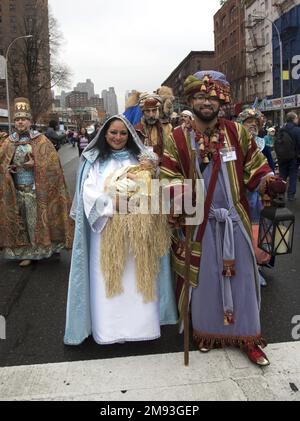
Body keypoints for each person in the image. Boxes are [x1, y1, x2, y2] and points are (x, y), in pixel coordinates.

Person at [160, 71, 285, 367]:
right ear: (191, 100)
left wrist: (269, 181)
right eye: (201, 97)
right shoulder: (177, 137)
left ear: (222, 101)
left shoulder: (237, 132)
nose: (207, 102)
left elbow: (257, 166)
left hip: (234, 220)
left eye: (212, 97)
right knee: (202, 284)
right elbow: (167, 174)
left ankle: (249, 337)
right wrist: (178, 191)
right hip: (198, 222)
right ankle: (206, 333)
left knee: (242, 280)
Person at [64, 115, 177, 346]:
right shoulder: (94, 161)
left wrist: (146, 183)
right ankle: (109, 329)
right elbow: (88, 193)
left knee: (139, 277)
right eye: (113, 133)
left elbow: (156, 189)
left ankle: (141, 327)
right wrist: (111, 204)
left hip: (137, 231)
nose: (118, 137)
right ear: (105, 134)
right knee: (108, 277)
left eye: (123, 133)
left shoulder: (141, 159)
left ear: (130, 135)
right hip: (106, 230)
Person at [0, 98, 74, 267]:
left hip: (36, 190)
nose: (20, 122)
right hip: (15, 189)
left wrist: (36, 165)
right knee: (21, 222)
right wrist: (7, 169)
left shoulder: (41, 140)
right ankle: (22, 250)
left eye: (23, 119)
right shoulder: (7, 142)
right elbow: (1, 164)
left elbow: (52, 165)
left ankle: (36, 251)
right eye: (17, 119)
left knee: (35, 221)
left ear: (30, 121)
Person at [134, 92, 172, 159]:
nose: (151, 115)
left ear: (158, 110)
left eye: (154, 110)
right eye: (147, 111)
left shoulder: (167, 127)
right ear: (143, 112)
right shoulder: (136, 130)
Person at [277, 112, 300, 201]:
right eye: (296, 118)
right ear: (293, 119)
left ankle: (280, 193)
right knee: (293, 176)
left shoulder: (281, 129)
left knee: (282, 176)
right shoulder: (297, 130)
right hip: (293, 158)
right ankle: (290, 195)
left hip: (282, 157)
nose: (297, 120)